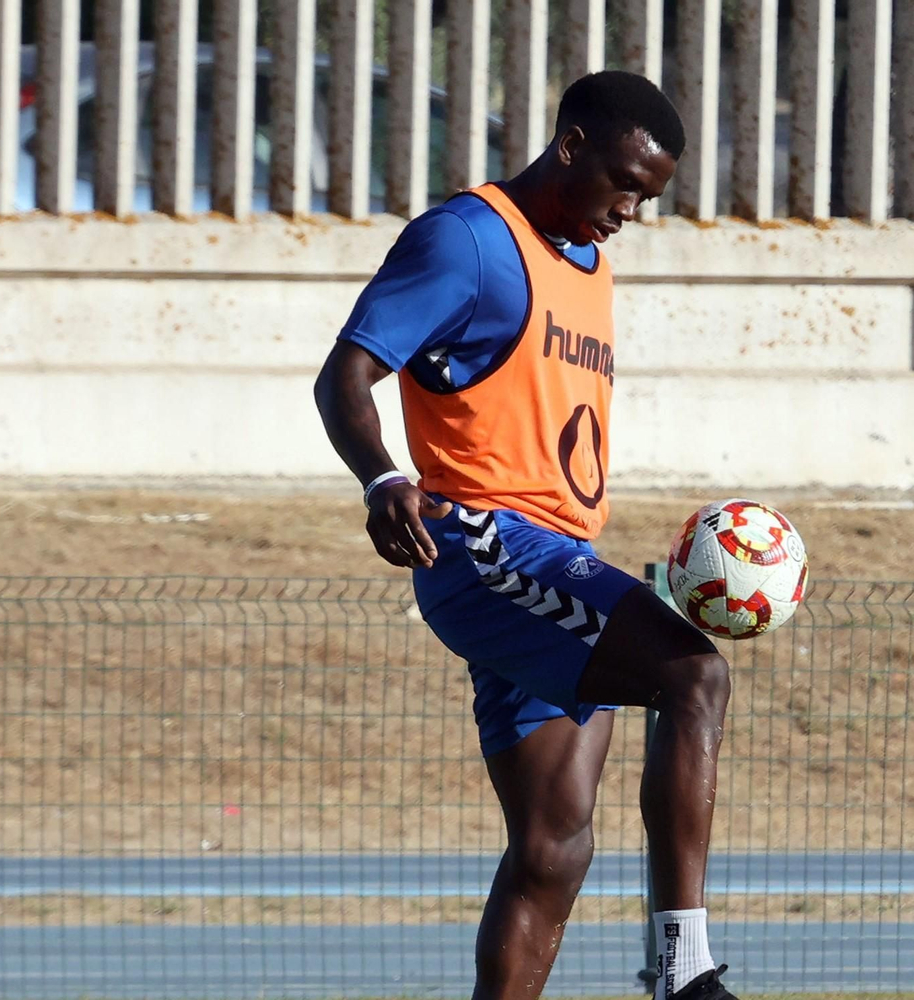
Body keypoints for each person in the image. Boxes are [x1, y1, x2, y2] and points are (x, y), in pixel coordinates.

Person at [313, 72, 736, 1000]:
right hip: (484, 546)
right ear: (571, 144)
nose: (630, 211)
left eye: (649, 198)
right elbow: (343, 376)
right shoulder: (465, 240)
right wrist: (384, 478)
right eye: (624, 183)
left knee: (554, 847)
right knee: (694, 675)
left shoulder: (592, 262)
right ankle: (683, 967)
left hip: (560, 561)